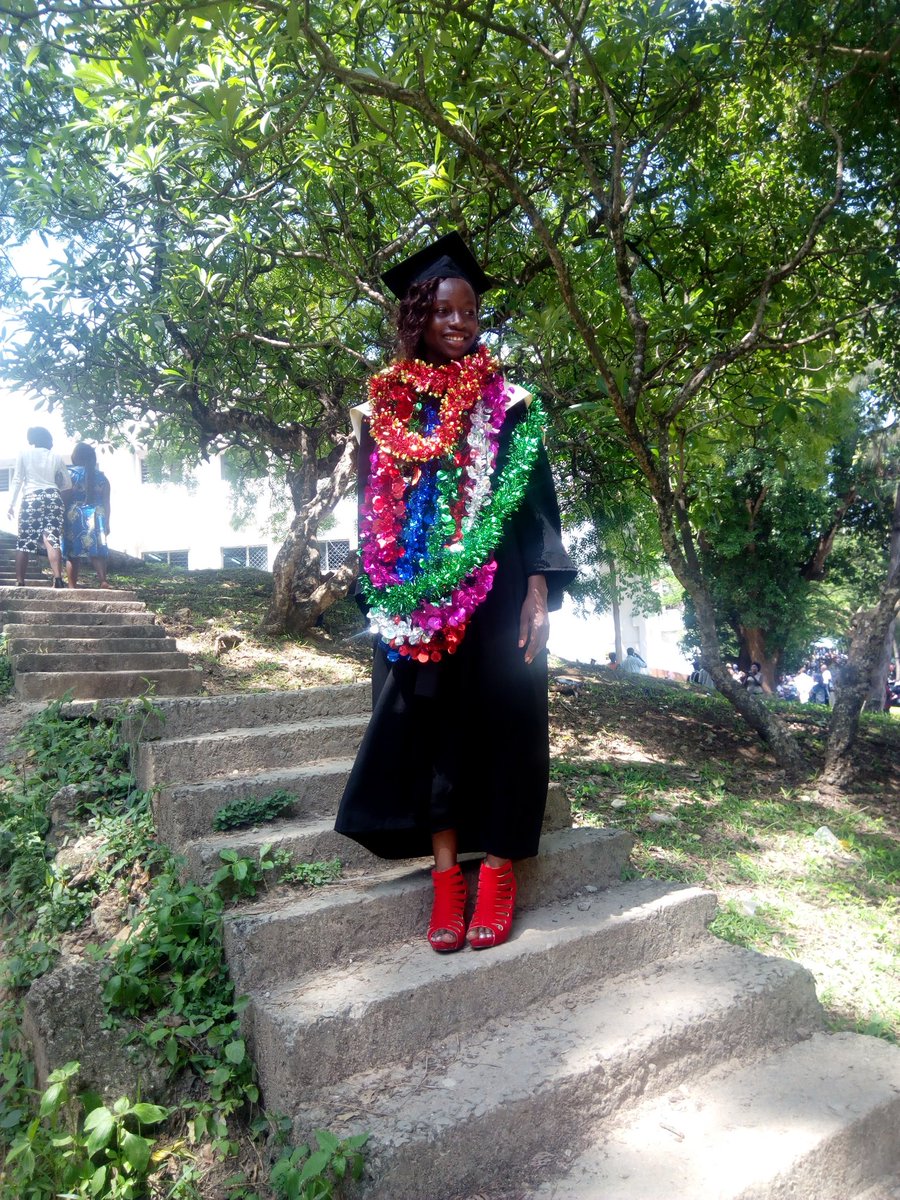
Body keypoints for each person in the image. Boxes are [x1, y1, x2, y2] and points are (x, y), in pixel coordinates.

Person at [335, 232, 576, 954]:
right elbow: (371, 511)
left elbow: (539, 506)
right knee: (431, 724)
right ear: (419, 314)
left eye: (469, 311)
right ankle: (448, 881)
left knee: (508, 716)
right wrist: (383, 596)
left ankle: (498, 873)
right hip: (418, 595)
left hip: (500, 590)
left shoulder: (511, 404)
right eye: (443, 309)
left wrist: (539, 588)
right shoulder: (387, 408)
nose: (460, 323)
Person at [6, 426, 70, 588]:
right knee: (52, 539)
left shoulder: (24, 454)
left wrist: (11, 504)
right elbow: (67, 483)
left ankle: (20, 581)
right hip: (52, 497)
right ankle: (58, 579)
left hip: (31, 498)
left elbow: (17, 479)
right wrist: (56, 486)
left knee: (25, 541)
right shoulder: (56, 456)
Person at [62, 442, 112, 589]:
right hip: (97, 516)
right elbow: (107, 503)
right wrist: (107, 522)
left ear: (75, 457)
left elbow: (64, 498)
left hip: (73, 515)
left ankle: (72, 586)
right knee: (98, 550)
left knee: (72, 552)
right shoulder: (102, 478)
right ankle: (103, 580)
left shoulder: (70, 474)